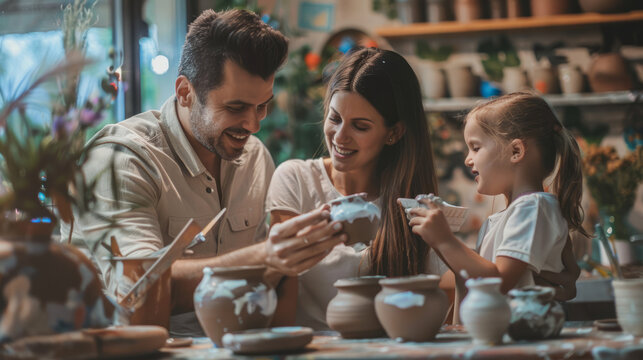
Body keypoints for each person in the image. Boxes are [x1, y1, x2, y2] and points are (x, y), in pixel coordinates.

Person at [60, 9, 344, 336]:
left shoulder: (254, 157)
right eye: (235, 108)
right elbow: (139, 289)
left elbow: (269, 286)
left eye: (262, 105)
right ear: (185, 92)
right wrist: (266, 257)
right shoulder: (122, 159)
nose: (254, 125)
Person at [264, 47, 450, 330]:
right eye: (335, 118)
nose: (340, 137)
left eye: (360, 126)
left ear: (394, 133)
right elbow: (282, 283)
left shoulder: (412, 203)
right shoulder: (296, 180)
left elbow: (436, 300)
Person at [409, 92, 584, 297]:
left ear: (516, 151)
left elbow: (498, 282)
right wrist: (436, 239)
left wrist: (444, 240)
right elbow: (471, 274)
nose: (468, 160)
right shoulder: (505, 217)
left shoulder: (533, 207)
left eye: (475, 147)